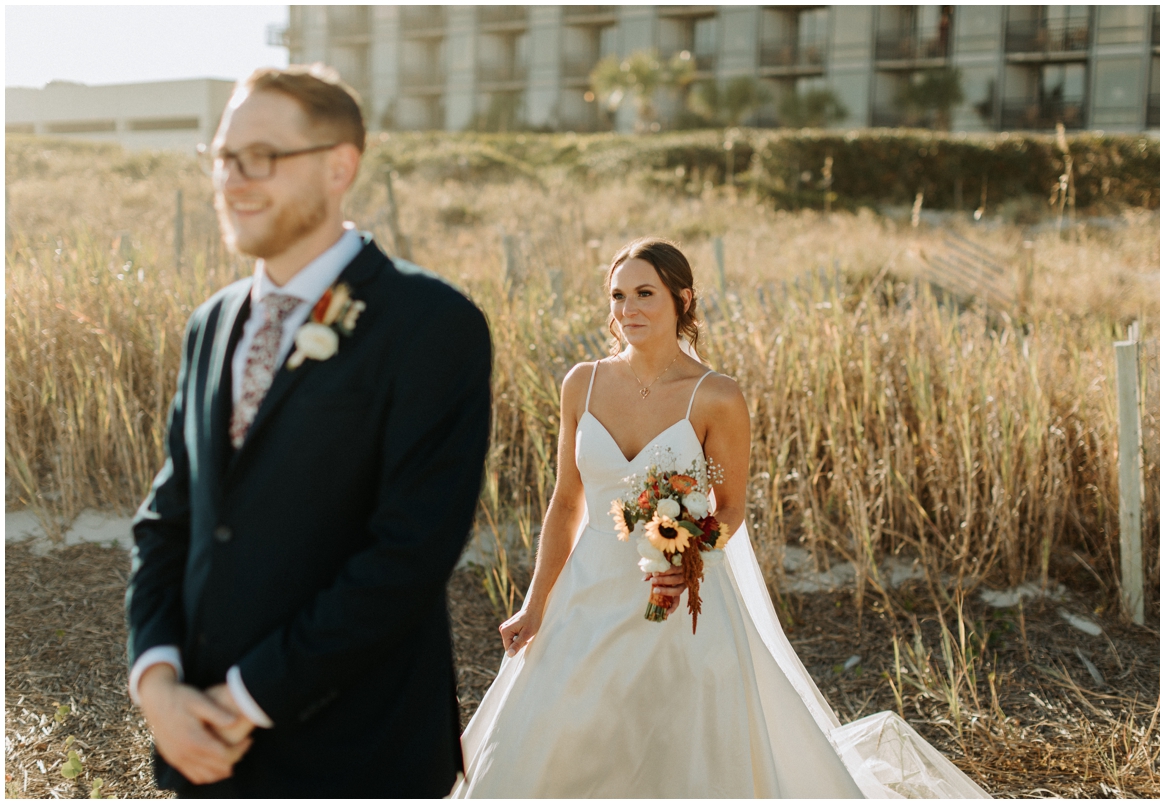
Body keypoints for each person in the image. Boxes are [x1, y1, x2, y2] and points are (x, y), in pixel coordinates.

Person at [452, 238, 989, 798]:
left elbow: (730, 506)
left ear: (682, 300)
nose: (627, 310)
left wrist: (689, 561)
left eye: (644, 294)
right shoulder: (581, 383)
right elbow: (566, 502)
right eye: (617, 296)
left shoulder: (716, 396)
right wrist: (535, 605)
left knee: (678, 745)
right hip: (585, 593)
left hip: (681, 594)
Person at [124, 64, 491, 797]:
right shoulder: (213, 323)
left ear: (339, 167)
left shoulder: (431, 325)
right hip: (202, 751)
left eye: (261, 157)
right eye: (224, 157)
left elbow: (407, 555)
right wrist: (158, 685)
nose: (233, 179)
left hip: (355, 753)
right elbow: (171, 521)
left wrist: (244, 699)